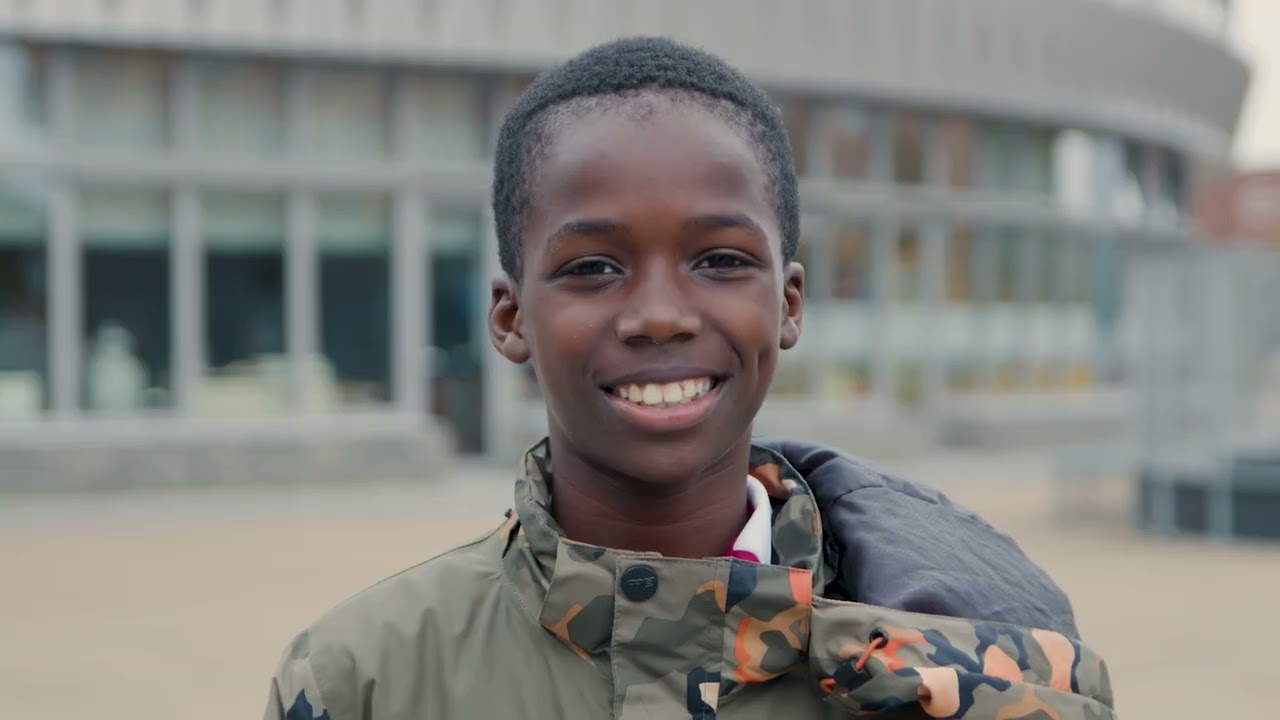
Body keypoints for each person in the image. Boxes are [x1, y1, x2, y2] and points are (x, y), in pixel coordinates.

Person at [264, 37, 1115, 719]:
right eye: (593, 267)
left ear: (788, 304)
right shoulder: (364, 679)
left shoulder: (977, 661)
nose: (660, 314)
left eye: (720, 259)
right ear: (511, 317)